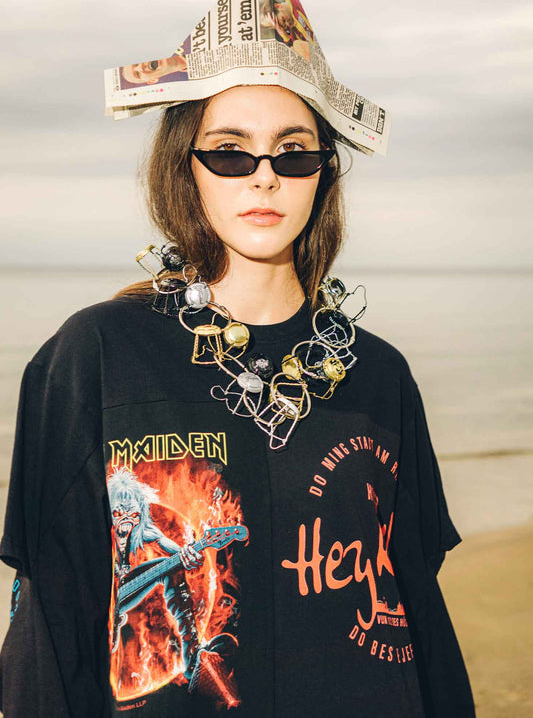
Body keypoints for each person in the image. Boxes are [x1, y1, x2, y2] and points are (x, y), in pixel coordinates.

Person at [0, 82, 476, 717]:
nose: (264, 178)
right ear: (185, 170)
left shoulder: (379, 374)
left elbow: (415, 602)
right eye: (230, 152)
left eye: (292, 152)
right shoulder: (97, 355)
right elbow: (50, 619)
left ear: (322, 174)